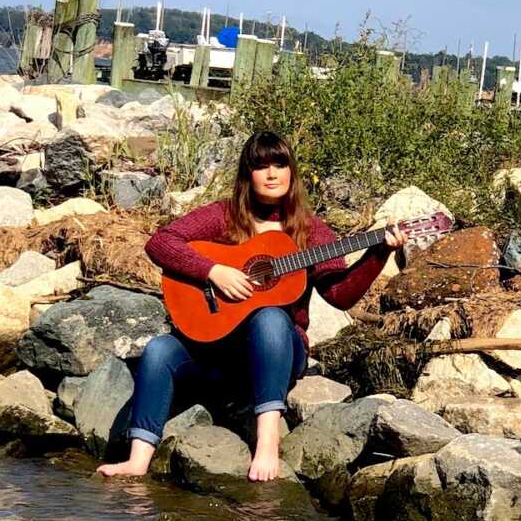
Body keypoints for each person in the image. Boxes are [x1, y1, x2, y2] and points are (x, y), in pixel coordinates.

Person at [97, 130, 406, 482]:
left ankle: (267, 442)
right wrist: (214, 271)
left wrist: (379, 252)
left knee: (270, 316)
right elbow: (161, 242)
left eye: (280, 164)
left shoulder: (311, 231)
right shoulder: (226, 216)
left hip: (278, 353)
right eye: (261, 166)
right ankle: (137, 461)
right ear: (248, 174)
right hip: (217, 350)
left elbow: (340, 295)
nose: (272, 174)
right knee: (158, 349)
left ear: (292, 172)